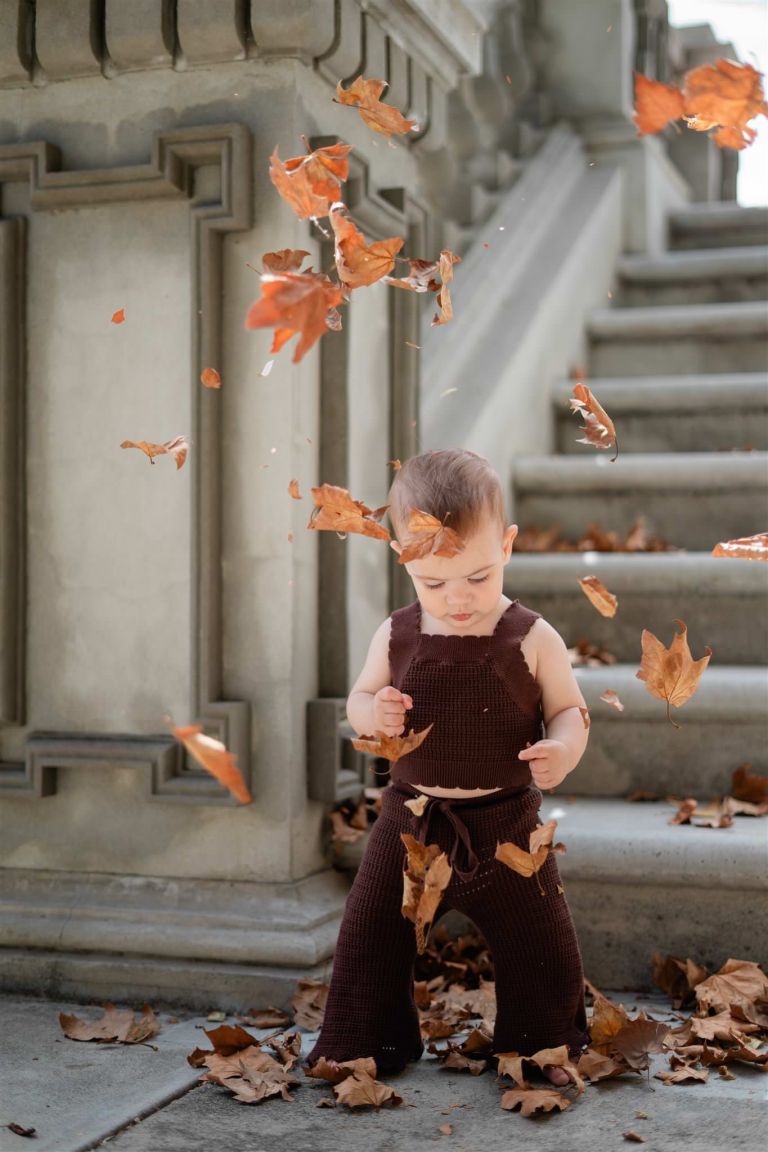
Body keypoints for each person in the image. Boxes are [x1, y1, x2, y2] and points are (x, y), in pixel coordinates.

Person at [306, 449, 591, 1084]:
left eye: (478, 577)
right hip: (409, 820)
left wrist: (563, 748)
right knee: (370, 936)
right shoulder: (396, 633)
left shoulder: (532, 637)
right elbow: (358, 699)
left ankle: (541, 1044)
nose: (457, 599)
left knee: (539, 944)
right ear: (403, 559)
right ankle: (363, 1039)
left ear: (507, 547)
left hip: (508, 825)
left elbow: (569, 710)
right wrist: (374, 712)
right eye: (433, 583)